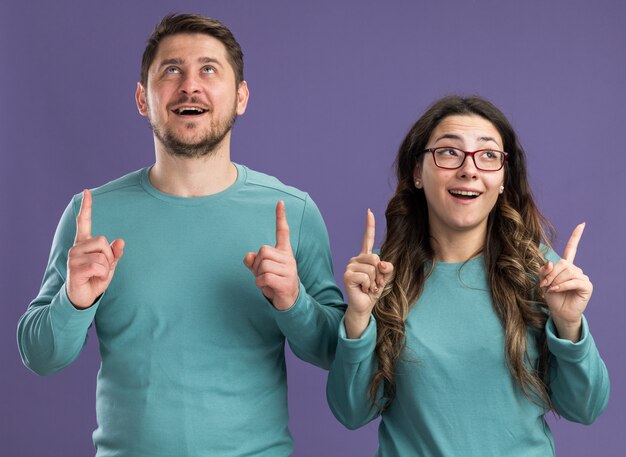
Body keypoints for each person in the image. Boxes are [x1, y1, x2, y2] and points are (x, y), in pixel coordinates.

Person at [17, 13, 344, 457]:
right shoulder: (90, 215)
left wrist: (293, 303)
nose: (190, 85)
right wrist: (74, 302)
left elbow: (334, 352)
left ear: (241, 96)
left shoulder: (292, 213)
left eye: (209, 69)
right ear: (142, 98)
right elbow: (40, 356)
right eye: (172, 70)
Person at [326, 95, 609, 456]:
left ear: (504, 178)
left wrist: (569, 326)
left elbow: (586, 408)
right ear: (417, 172)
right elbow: (350, 413)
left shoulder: (540, 272)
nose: (469, 169)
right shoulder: (379, 276)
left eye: (489, 155)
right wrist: (358, 319)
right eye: (448, 152)